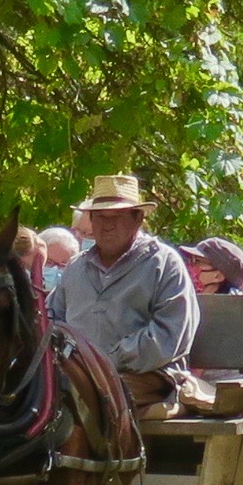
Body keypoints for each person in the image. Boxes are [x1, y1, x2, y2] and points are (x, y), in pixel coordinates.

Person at [48, 173, 195, 417]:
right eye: (100, 217)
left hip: (147, 376)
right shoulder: (75, 269)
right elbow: (53, 323)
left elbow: (169, 336)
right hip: (78, 376)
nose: (107, 225)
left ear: (137, 218)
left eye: (116, 216)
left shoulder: (164, 263)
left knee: (89, 399)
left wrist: (104, 361)